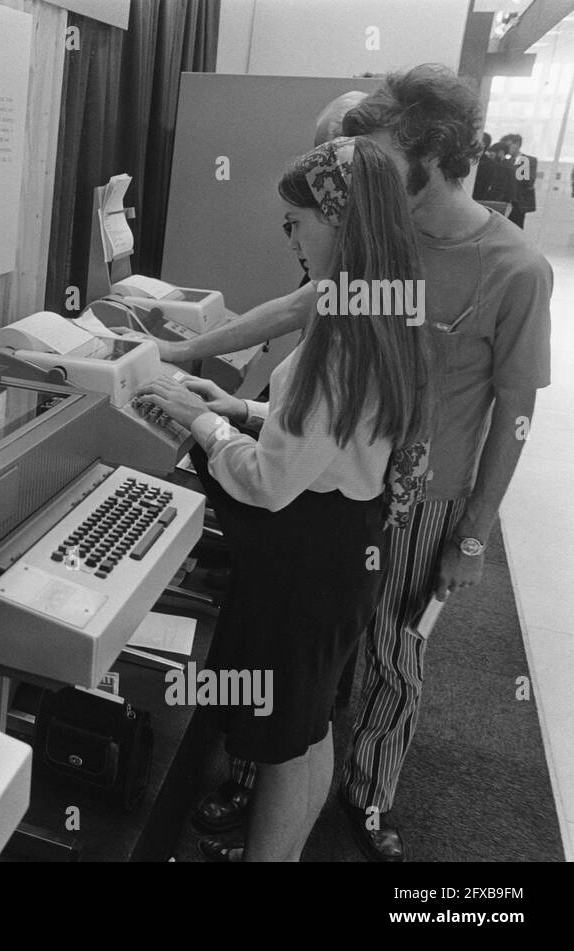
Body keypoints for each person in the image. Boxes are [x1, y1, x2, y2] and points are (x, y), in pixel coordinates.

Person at [158, 65, 553, 862]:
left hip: (404, 498)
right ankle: (274, 796)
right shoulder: (384, 255)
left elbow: (515, 412)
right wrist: (199, 361)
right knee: (311, 697)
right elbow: (305, 318)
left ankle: (365, 805)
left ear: (428, 154)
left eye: (373, 153)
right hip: (347, 491)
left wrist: (472, 536)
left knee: (384, 668)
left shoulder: (513, 269)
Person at [136, 136, 434, 862]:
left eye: (295, 221)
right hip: (348, 549)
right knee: (308, 731)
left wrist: (195, 419)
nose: (292, 238)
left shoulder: (340, 333)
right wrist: (238, 412)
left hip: (306, 568)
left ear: (339, 220)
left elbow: (267, 481)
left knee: (280, 746)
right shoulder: (387, 304)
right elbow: (335, 437)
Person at [500, 134, 538, 229]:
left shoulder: (529, 160)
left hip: (518, 202)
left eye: (508, 145)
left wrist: (519, 164)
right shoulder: (503, 160)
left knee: (516, 229)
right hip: (502, 200)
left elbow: (529, 181)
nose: (507, 148)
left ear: (517, 144)